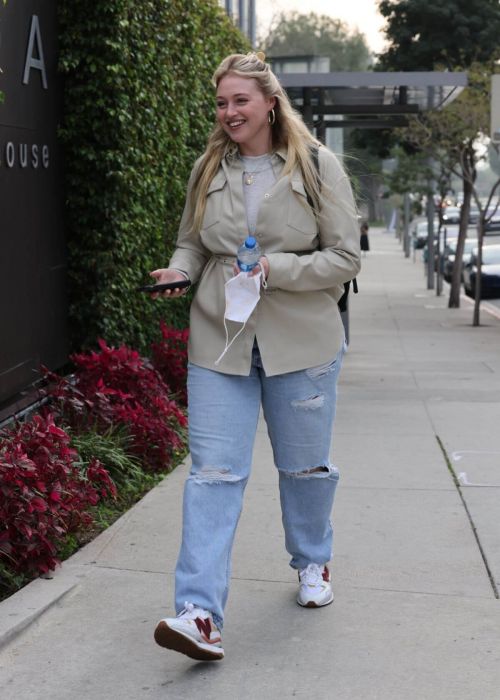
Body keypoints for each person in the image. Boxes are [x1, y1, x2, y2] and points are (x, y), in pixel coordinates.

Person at [150, 52, 361, 662]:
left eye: (240, 100)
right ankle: (199, 615)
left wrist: (277, 268)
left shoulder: (317, 166)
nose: (229, 112)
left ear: (270, 102)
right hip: (221, 340)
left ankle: (313, 561)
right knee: (212, 475)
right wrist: (179, 271)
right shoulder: (207, 166)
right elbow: (191, 243)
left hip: (303, 341)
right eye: (221, 102)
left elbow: (344, 258)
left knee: (304, 468)